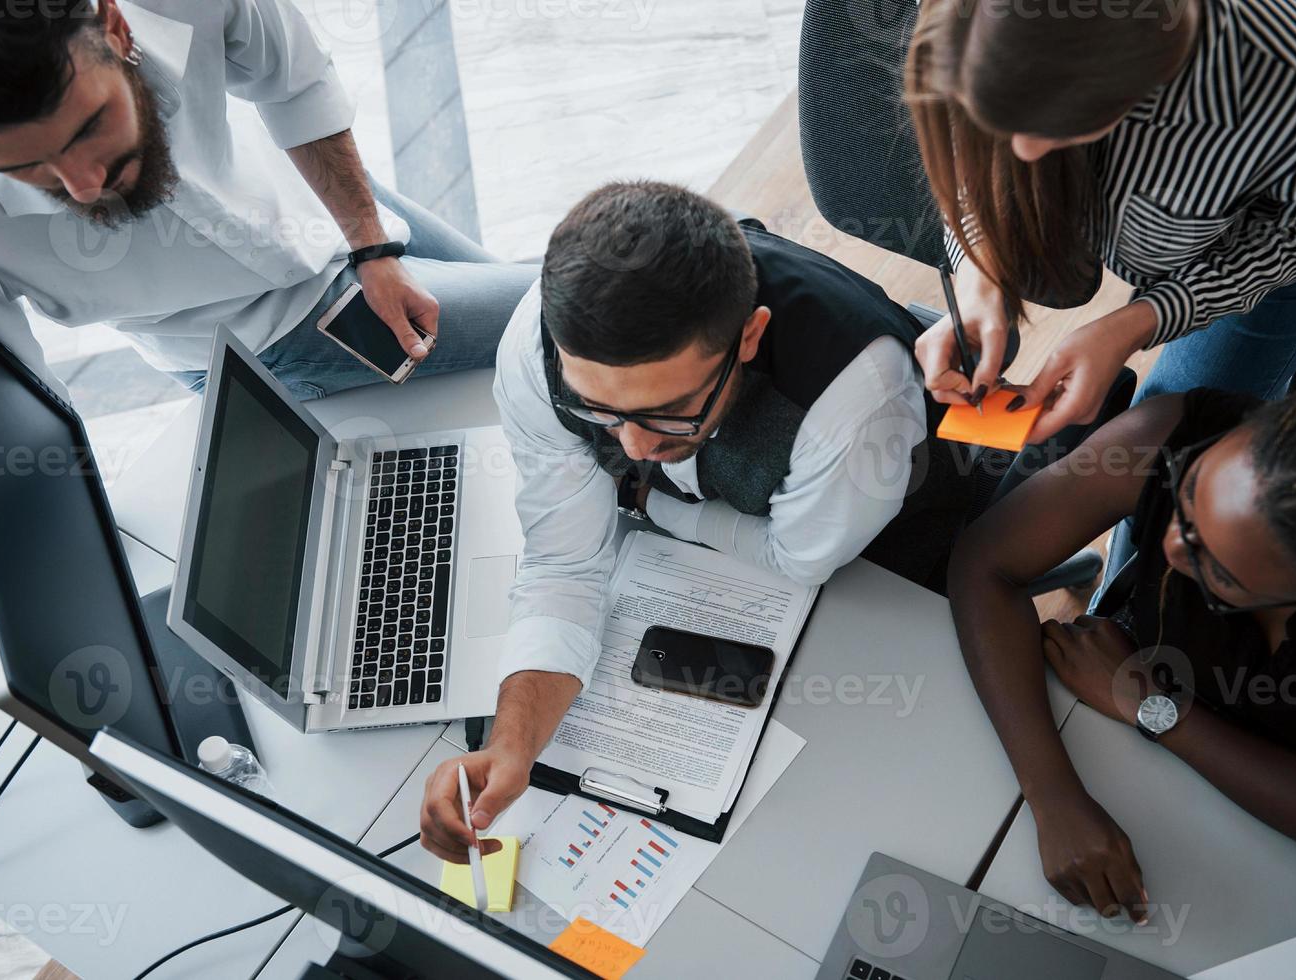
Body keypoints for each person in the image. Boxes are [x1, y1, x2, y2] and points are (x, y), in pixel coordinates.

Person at [417, 181, 975, 861]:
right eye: (599, 411)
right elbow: (564, 564)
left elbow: (799, 559)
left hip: (888, 541)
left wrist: (651, 504)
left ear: (750, 336)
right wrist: (512, 745)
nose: (632, 449)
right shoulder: (539, 350)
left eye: (669, 412)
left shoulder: (857, 406)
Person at [947, 375, 1296, 922]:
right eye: (1190, 491)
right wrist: (1052, 795)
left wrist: (1156, 709)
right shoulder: (1167, 433)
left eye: (1218, 571)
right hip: (1106, 748)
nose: (1170, 547)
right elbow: (985, 561)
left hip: (1292, 872)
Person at [0, 0, 536, 402]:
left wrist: (371, 242)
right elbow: (15, 390)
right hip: (265, 338)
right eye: (24, 170)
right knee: (577, 318)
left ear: (116, 28)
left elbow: (294, 79)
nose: (83, 185)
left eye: (87, 128)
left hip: (315, 201)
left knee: (571, 320)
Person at [902, 0, 1296, 442]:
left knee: (1177, 440)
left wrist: (1138, 323)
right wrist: (979, 272)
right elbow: (971, 157)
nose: (1022, 151)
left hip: (1282, 231)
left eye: (1059, 122)